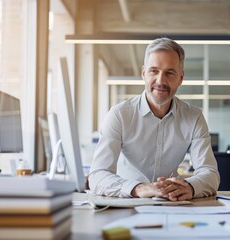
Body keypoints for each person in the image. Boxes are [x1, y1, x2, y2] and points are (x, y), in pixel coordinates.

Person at [89, 37, 219, 201]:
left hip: (171, 203)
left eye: (170, 73)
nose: (160, 81)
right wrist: (138, 188)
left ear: (181, 77)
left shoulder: (194, 118)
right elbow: (97, 175)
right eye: (154, 71)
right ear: (143, 73)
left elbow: (210, 173)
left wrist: (190, 187)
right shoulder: (120, 114)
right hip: (127, 201)